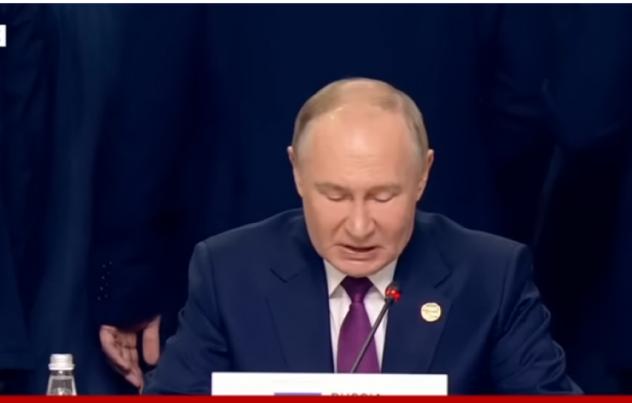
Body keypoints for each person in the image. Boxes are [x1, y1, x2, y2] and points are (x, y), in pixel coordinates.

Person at [142, 78, 577, 395]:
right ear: (297, 172)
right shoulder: (229, 272)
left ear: (423, 175)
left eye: (383, 196)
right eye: (335, 196)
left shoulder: (491, 276)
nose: (359, 227)